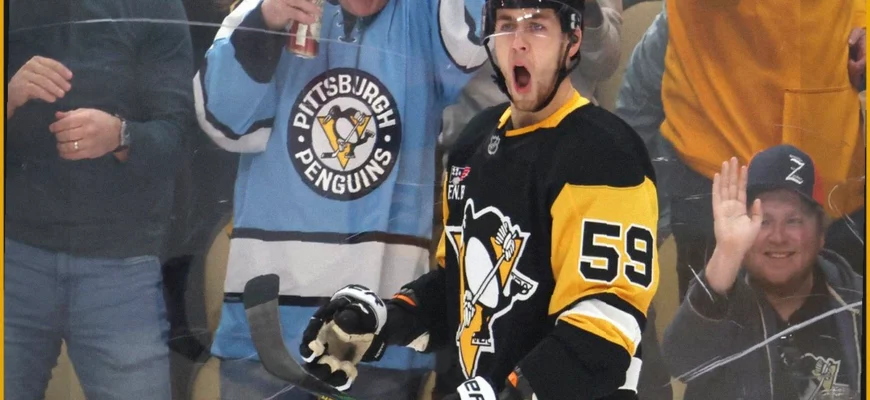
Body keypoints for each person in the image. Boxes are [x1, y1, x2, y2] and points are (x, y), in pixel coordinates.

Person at [297, 1, 660, 398]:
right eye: (506, 25)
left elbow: (604, 330)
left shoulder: (605, 155)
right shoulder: (476, 141)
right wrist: (388, 322)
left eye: (537, 27)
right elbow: (458, 287)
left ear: (572, 41)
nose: (517, 43)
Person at [193, 0, 489, 397]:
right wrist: (267, 21)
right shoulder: (269, 8)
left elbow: (479, 31)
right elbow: (222, 119)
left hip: (379, 331)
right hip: (267, 335)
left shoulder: (423, 14)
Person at [5, 0, 194, 398]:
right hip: (13, 256)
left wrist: (121, 136)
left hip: (121, 267)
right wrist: (8, 96)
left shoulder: (157, 6)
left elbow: (177, 138)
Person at [661, 145, 863, 400]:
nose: (778, 237)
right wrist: (726, 253)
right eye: (763, 220)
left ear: (821, 233)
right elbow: (681, 362)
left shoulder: (855, 299)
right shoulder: (720, 300)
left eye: (793, 221)